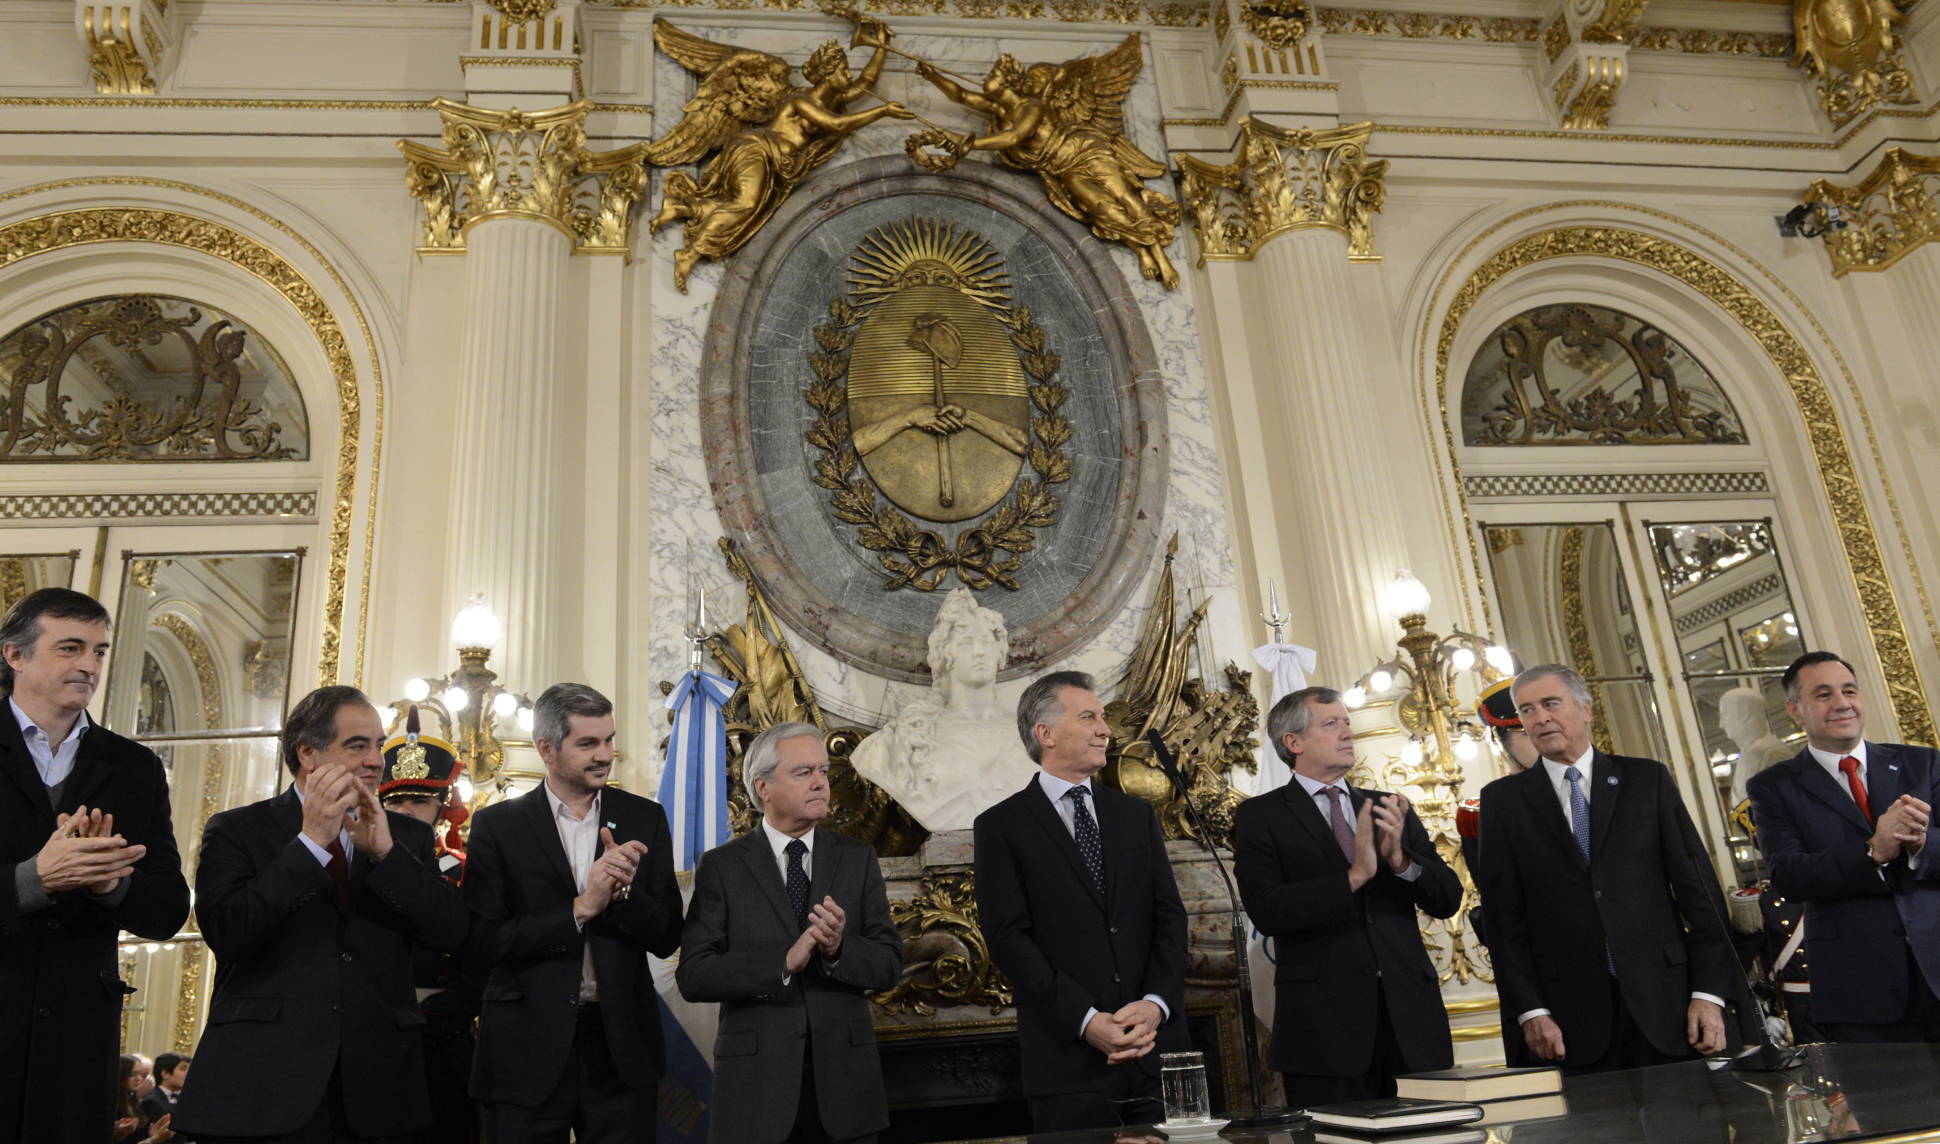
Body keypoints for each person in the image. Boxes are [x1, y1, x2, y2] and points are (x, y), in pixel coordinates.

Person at [172, 685, 469, 1143]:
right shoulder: (237, 829)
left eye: (378, 745)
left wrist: (388, 856)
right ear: (307, 753)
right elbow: (230, 933)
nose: (376, 760)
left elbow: (450, 931)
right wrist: (310, 843)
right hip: (264, 1083)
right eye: (357, 746)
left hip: (379, 1087)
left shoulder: (406, 837)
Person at [1477, 664, 1740, 1074]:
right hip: (1567, 1022)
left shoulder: (1646, 780)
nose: (1540, 717)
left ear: (1586, 709)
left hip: (1667, 1007)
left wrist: (1708, 993)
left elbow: (1700, 896)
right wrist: (1531, 1011)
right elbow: (1503, 922)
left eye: (1551, 704)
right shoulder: (1503, 802)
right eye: (1527, 710)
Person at [0, 588, 189, 1141]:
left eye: (100, 651)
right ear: (14, 655)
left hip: (78, 1042)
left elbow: (168, 909)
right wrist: (34, 879)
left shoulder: (135, 767)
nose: (89, 665)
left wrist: (113, 885)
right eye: (70, 648)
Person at [465, 683, 683, 1143]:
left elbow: (667, 935)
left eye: (609, 740)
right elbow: (481, 942)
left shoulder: (646, 818)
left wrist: (624, 895)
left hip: (620, 1048)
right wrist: (581, 908)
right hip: (524, 1048)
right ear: (546, 748)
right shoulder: (498, 826)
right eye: (588, 743)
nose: (605, 754)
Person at [973, 671, 1189, 1132]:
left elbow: (1170, 917)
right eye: (1089, 716)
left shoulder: (1135, 815)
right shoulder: (1001, 825)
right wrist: (1087, 1020)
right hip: (1067, 1065)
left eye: (1103, 718)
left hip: (1154, 1056)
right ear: (1045, 734)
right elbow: (1009, 939)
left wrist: (1155, 1004)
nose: (1105, 729)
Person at [1233, 687, 1462, 1106]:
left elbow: (1447, 899)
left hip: (1411, 1023)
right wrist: (1354, 876)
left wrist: (1400, 862)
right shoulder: (1260, 817)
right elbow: (1269, 910)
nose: (1347, 733)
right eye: (1331, 723)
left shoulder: (1388, 807)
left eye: (1347, 723)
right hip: (1325, 1032)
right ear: (1294, 742)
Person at [677, 722, 904, 1144]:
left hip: (846, 1091)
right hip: (755, 1094)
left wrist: (838, 950)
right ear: (763, 787)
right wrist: (782, 963)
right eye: (804, 773)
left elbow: (889, 964)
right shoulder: (722, 866)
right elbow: (694, 974)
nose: (822, 782)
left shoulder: (858, 859)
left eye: (822, 771)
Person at [1746, 650, 1940, 1042]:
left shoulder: (1924, 764)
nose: (1841, 703)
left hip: (1936, 966)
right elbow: (1789, 875)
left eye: (1848, 690)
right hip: (1860, 987)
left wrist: (1921, 844)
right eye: (1823, 695)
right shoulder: (1773, 787)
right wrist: (1872, 851)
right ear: (1795, 711)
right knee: (1887, 1103)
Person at [377, 712, 478, 1143]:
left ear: (442, 806)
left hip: (441, 1040)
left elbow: (481, 959)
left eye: (418, 800)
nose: (405, 811)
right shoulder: (358, 869)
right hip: (371, 1037)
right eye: (395, 802)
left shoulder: (464, 873)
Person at [140, 1052, 190, 1129]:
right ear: (165, 1073)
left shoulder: (189, 1099)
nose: (188, 1073)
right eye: (183, 1069)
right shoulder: (151, 1101)